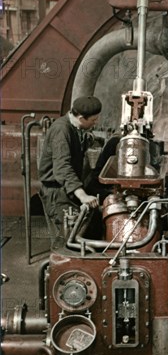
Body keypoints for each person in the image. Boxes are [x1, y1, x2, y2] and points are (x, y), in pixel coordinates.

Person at [38, 96, 102, 246]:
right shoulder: (61, 130)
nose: (95, 123)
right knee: (69, 236)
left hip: (67, 189)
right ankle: (59, 266)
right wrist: (82, 195)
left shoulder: (75, 127)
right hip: (56, 193)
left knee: (87, 228)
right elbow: (62, 168)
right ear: (81, 118)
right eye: (93, 120)